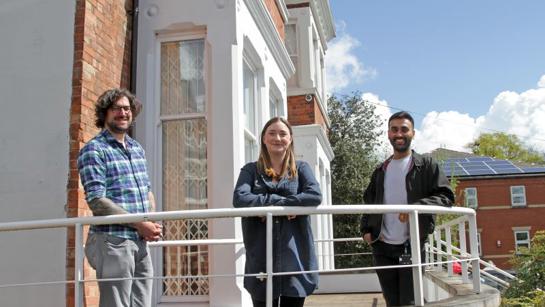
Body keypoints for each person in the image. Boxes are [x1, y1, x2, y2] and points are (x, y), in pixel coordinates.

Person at [78, 88, 162, 307]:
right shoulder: (94, 150)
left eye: (127, 108)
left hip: (140, 242)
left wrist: (149, 221)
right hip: (113, 241)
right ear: (104, 113)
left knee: (141, 304)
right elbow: (96, 200)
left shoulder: (136, 149)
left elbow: (147, 190)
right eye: (116, 108)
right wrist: (140, 224)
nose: (123, 113)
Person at [360, 111, 454, 306]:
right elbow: (369, 202)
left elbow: (446, 197)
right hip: (382, 246)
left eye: (404, 129)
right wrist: (366, 230)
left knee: (410, 302)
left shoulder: (426, 165)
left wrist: (415, 208)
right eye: (394, 130)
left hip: (412, 246)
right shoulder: (380, 169)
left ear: (413, 133)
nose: (399, 134)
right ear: (388, 134)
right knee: (391, 302)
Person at [233, 117, 322, 307]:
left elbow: (314, 195)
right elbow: (240, 199)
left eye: (283, 133)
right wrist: (282, 205)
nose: (277, 138)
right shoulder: (250, 170)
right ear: (264, 138)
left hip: (294, 254)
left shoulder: (301, 168)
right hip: (260, 255)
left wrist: (270, 207)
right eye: (272, 133)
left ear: (290, 139)